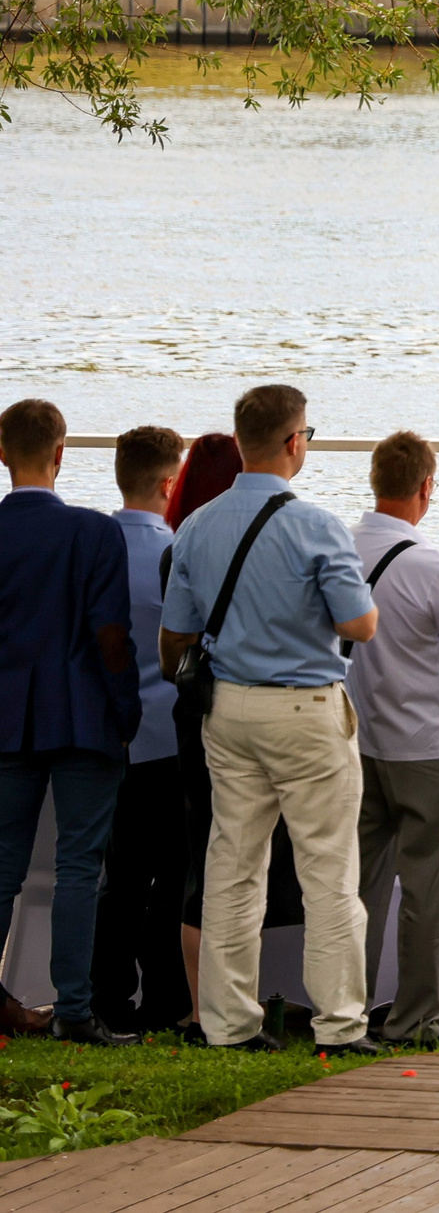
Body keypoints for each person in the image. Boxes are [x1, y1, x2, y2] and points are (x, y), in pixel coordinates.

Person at [159, 385, 382, 1054]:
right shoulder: (317, 526)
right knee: (329, 869)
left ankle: (227, 1024)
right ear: (294, 442)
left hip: (228, 708)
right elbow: (360, 625)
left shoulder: (196, 525)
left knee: (232, 864)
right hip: (306, 710)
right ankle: (339, 1025)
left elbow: (174, 638)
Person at [0, 398, 141, 1045]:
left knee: (2, 866)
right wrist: (125, 711)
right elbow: (112, 637)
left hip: (4, 721)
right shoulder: (93, 532)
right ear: (61, 453)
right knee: (81, 865)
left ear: (2, 453)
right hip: (83, 716)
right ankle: (75, 1010)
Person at [349, 432, 439, 1046]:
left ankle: (347, 1007)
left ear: (376, 481)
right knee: (427, 889)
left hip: (358, 741)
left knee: (356, 886)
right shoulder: (431, 565)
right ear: (426, 488)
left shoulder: (341, 548)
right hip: (425, 745)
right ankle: (415, 1018)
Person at [89, 426, 190, 1034]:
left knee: (117, 875)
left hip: (107, 734)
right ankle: (165, 999)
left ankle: (106, 995)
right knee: (173, 873)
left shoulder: (92, 549)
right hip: (169, 733)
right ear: (168, 482)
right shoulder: (175, 553)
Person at [163, 431, 244, 1031]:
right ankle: (238, 1003)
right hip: (257, 708)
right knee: (244, 860)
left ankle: (199, 1009)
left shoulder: (182, 542)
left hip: (196, 711)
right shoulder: (268, 538)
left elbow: (173, 650)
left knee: (202, 857)